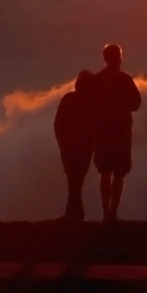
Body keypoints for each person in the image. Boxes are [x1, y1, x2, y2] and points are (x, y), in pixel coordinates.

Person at [87, 43, 142, 223]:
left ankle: (105, 212)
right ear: (118, 58)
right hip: (122, 132)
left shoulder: (96, 80)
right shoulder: (125, 80)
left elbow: (90, 105)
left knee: (105, 171)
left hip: (101, 132)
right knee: (119, 172)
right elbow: (136, 104)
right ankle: (113, 212)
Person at [52, 69, 96, 221]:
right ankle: (75, 213)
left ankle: (73, 213)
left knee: (73, 181)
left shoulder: (68, 99)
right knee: (77, 181)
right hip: (83, 148)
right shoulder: (92, 103)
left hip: (69, 148)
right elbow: (94, 126)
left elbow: (58, 124)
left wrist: (62, 145)